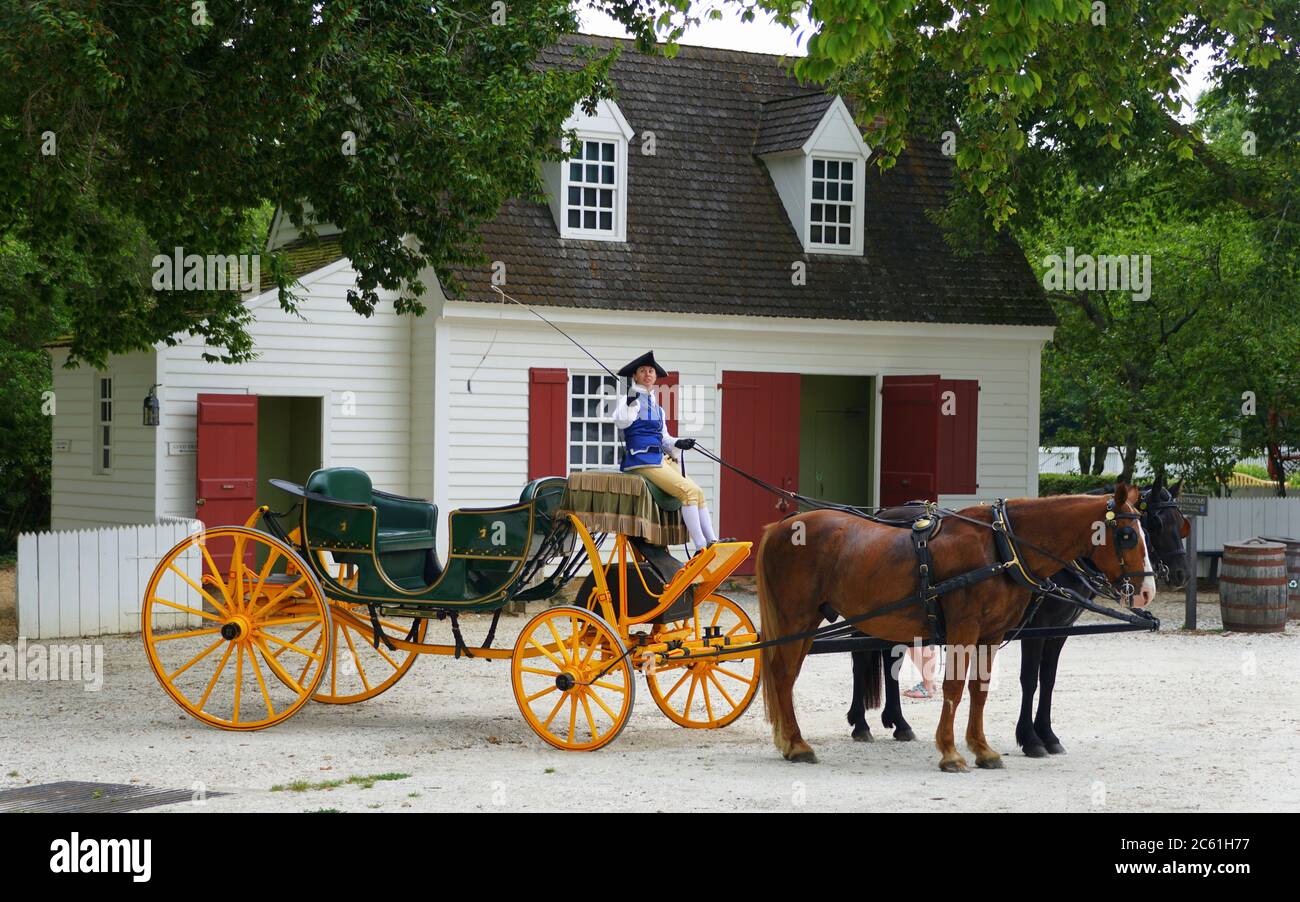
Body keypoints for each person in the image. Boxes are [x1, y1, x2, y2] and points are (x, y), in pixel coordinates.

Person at [611, 351, 721, 551]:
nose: (647, 374)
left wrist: (679, 443)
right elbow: (620, 421)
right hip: (641, 461)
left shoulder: (658, 408)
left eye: (651, 371)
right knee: (688, 492)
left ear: (655, 376)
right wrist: (628, 402)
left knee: (698, 492)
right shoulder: (631, 399)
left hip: (658, 458)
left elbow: (664, 439)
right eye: (642, 371)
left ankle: (713, 540)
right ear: (635, 376)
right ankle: (700, 546)